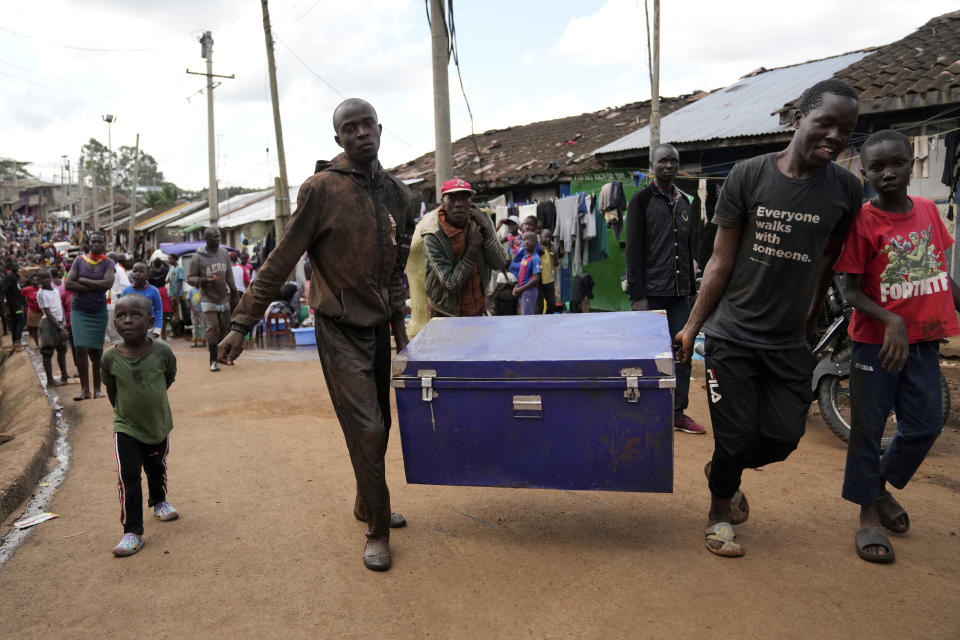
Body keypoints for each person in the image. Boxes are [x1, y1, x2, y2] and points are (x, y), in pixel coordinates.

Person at [218, 98, 414, 572]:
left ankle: (367, 500)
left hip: (378, 327)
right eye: (350, 128)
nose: (361, 133)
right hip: (337, 327)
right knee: (365, 428)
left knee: (380, 427)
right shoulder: (321, 190)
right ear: (339, 139)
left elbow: (395, 269)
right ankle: (377, 529)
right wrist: (242, 324)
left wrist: (400, 330)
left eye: (368, 124)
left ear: (380, 128)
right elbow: (279, 261)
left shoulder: (400, 196)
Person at [673, 79, 863, 558]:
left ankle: (721, 470)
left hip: (788, 340)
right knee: (735, 438)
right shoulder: (749, 175)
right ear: (798, 119)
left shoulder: (845, 189)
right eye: (826, 123)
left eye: (847, 128)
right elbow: (719, 259)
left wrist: (812, 315)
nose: (836, 136)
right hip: (732, 335)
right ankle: (720, 513)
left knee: (783, 438)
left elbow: (828, 258)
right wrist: (694, 325)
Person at [833, 130, 960, 563]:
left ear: (912, 164)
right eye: (877, 167)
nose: (888, 173)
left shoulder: (926, 210)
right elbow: (851, 292)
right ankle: (868, 515)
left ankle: (879, 486)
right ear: (864, 172)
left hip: (923, 341)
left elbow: (941, 270)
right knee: (868, 429)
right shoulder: (863, 223)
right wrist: (891, 320)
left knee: (924, 425)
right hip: (875, 345)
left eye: (897, 164)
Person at [625, 143, 705, 436]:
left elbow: (690, 248)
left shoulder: (685, 202)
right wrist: (639, 296)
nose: (669, 166)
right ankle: (642, 411)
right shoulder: (641, 201)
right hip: (650, 294)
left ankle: (677, 413)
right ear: (652, 165)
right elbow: (633, 251)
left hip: (680, 294)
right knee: (647, 355)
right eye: (663, 161)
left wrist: (692, 289)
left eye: (674, 161)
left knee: (682, 353)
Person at [100, 294, 179, 557]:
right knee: (128, 477)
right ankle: (132, 531)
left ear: (150, 321)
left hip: (157, 425)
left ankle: (159, 500)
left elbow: (168, 376)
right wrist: (124, 413)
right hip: (126, 428)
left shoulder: (162, 351)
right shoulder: (110, 358)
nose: (127, 320)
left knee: (156, 467)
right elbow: (112, 390)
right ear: (115, 322)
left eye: (135, 315)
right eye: (121, 316)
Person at [422, 177, 509, 318]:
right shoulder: (432, 235)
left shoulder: (481, 220)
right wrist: (472, 248)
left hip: (477, 306)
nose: (459, 204)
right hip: (446, 312)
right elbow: (451, 284)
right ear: (443, 202)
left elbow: (499, 262)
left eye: (464, 198)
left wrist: (487, 231)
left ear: (471, 201)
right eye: (452, 198)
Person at [65, 231, 116, 401]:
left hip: (98, 311)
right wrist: (96, 287)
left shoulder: (108, 263)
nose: (95, 244)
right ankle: (84, 390)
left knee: (97, 350)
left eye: (99, 242)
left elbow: (108, 283)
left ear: (104, 244)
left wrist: (84, 281)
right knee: (80, 348)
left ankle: (97, 389)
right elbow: (69, 283)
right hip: (79, 310)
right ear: (89, 243)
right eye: (93, 242)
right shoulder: (79, 260)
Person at [187, 227, 237, 372]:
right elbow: (190, 278)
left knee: (225, 328)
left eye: (219, 237)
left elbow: (229, 275)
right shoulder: (198, 257)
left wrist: (234, 292)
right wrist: (203, 280)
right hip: (207, 298)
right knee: (213, 328)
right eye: (214, 237)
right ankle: (213, 360)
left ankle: (223, 355)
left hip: (224, 298)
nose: (218, 239)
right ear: (207, 239)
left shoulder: (224, 253)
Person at [36, 268, 70, 387]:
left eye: (47, 277)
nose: (46, 279)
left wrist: (64, 322)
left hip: (60, 322)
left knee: (62, 349)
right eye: (43, 278)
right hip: (48, 324)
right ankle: (50, 380)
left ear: (51, 277)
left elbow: (60, 307)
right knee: (47, 352)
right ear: (39, 280)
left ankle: (64, 375)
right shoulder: (41, 294)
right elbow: (48, 312)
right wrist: (60, 328)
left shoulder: (55, 290)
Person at [121, 262, 163, 338]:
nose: (137, 274)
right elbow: (120, 310)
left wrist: (158, 327)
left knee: (151, 349)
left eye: (141, 271)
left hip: (149, 329)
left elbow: (158, 309)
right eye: (135, 271)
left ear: (148, 275)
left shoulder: (154, 291)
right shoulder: (126, 291)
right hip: (131, 329)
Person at [510, 231, 542, 315]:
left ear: (536, 243)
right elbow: (522, 276)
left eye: (530, 239)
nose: (526, 242)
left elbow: (536, 279)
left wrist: (520, 289)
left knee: (527, 317)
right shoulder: (524, 257)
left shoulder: (535, 258)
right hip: (523, 291)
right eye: (524, 240)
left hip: (529, 291)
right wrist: (516, 287)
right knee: (524, 315)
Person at [3, 258, 25, 348]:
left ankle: (16, 340)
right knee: (20, 319)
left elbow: (18, 288)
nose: (17, 267)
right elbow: (6, 290)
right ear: (11, 267)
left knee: (16, 321)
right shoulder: (9, 277)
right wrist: (8, 301)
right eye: (15, 266)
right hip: (14, 304)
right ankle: (17, 339)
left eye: (17, 265)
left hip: (18, 302)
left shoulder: (16, 276)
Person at [149, 258, 172, 340]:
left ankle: (155, 332)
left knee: (155, 312)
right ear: (161, 264)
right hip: (163, 291)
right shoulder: (164, 271)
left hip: (154, 291)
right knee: (164, 313)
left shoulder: (151, 273)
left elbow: (148, 280)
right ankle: (164, 334)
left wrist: (151, 264)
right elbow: (168, 268)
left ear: (154, 264)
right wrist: (164, 262)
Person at [537, 228, 558, 314]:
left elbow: (556, 264)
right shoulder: (538, 248)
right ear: (540, 237)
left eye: (550, 237)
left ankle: (548, 321)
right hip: (539, 282)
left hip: (549, 281)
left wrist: (554, 255)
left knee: (552, 305)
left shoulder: (552, 249)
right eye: (546, 237)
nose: (548, 239)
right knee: (540, 306)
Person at [165, 253, 186, 338]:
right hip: (171, 293)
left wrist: (176, 295)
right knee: (173, 312)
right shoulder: (172, 268)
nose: (169, 260)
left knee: (176, 313)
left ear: (174, 259)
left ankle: (176, 332)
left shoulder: (180, 268)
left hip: (176, 294)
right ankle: (174, 331)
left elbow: (180, 281)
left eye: (170, 259)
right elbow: (168, 279)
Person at [21, 272, 41, 347]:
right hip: (32, 311)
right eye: (33, 280)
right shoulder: (26, 289)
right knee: (33, 328)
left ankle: (44, 343)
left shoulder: (41, 289)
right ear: (31, 281)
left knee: (42, 328)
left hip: (42, 311)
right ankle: (37, 344)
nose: (35, 281)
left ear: (39, 281)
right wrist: (25, 304)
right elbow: (22, 297)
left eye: (36, 280)